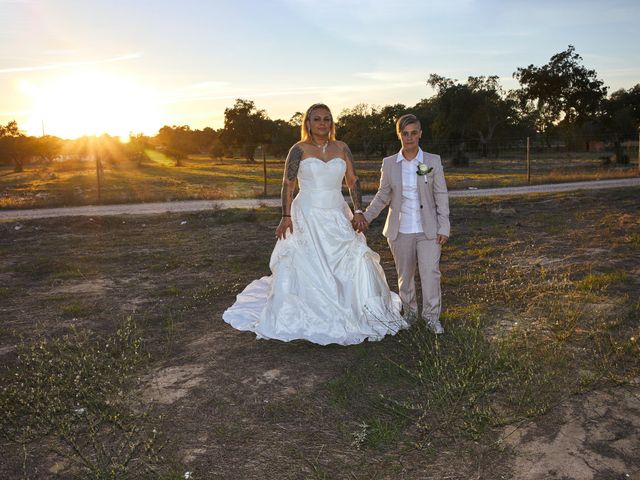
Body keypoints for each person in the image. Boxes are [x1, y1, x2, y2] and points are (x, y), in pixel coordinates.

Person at [223, 103, 407, 345]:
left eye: (327, 119)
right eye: (317, 119)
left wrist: (359, 210)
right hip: (307, 215)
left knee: (356, 257)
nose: (322, 123)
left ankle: (360, 311)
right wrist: (286, 216)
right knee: (303, 264)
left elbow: (352, 181)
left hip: (337, 212)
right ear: (308, 123)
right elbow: (288, 185)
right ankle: (306, 316)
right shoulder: (298, 149)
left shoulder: (342, 148)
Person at [356, 114, 450, 334]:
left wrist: (444, 226)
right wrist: (366, 217)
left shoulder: (432, 161)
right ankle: (408, 314)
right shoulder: (389, 164)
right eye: (405, 133)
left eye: (413, 133)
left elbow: (441, 195)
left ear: (420, 134)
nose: (409, 138)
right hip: (400, 231)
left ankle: (431, 318)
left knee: (430, 274)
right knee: (404, 277)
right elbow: (383, 195)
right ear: (399, 135)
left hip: (429, 230)